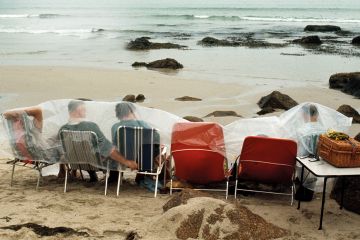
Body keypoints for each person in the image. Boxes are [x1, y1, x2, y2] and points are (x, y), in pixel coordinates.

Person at [59, 100, 138, 182]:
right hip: (95, 163)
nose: (86, 112)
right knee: (114, 154)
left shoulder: (63, 129)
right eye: (84, 109)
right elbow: (108, 149)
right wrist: (126, 162)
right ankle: (113, 180)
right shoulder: (91, 126)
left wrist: (62, 169)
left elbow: (63, 150)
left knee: (89, 151)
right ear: (78, 111)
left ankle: (92, 175)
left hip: (75, 162)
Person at [111, 102, 164, 191]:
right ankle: (152, 178)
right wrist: (159, 148)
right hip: (143, 160)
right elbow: (155, 137)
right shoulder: (141, 124)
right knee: (159, 151)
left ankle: (115, 178)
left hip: (123, 160)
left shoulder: (115, 127)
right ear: (131, 112)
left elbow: (115, 145)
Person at [295, 104, 326, 201]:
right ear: (316, 115)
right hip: (320, 159)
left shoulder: (301, 130)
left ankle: (301, 183)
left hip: (304, 161)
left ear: (305, 115)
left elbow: (300, 150)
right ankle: (304, 183)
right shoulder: (324, 130)